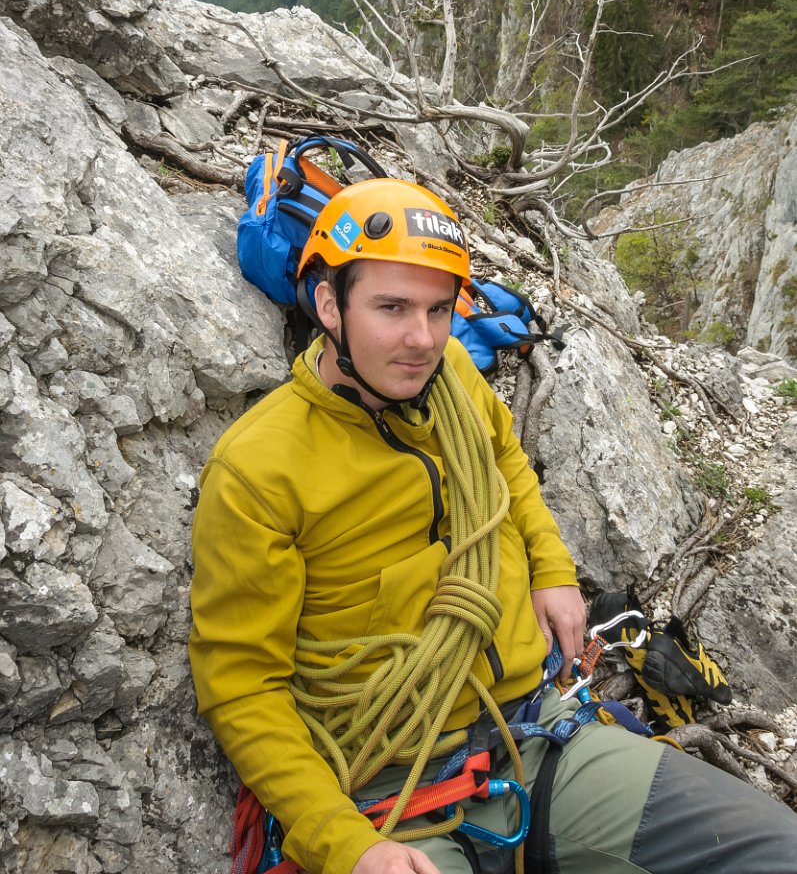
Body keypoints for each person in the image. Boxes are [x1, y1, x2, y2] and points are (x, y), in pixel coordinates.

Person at [189, 179, 797, 874]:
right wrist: (346, 845)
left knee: (773, 850)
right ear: (330, 305)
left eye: (438, 309)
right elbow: (242, 685)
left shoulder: (451, 374)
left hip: (534, 737)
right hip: (388, 796)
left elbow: (505, 460)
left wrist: (550, 569)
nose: (421, 338)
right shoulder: (258, 468)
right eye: (391, 308)